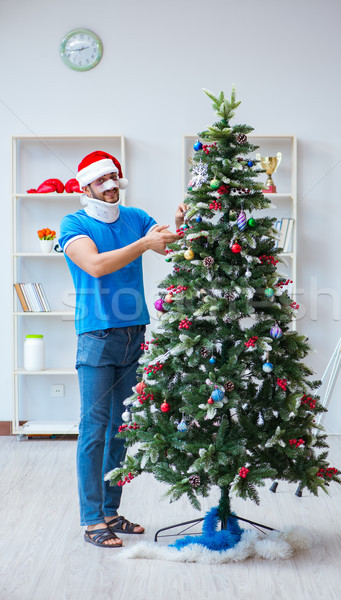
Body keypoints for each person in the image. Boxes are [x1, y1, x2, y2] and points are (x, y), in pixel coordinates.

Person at [58, 151, 184, 548]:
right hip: (96, 337)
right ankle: (92, 518)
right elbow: (95, 265)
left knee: (121, 430)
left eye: (114, 177)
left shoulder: (135, 218)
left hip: (134, 334)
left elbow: (172, 249)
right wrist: (145, 243)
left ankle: (111, 511)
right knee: (94, 431)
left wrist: (179, 225)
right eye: (102, 181)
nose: (110, 185)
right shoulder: (74, 224)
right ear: (86, 186)